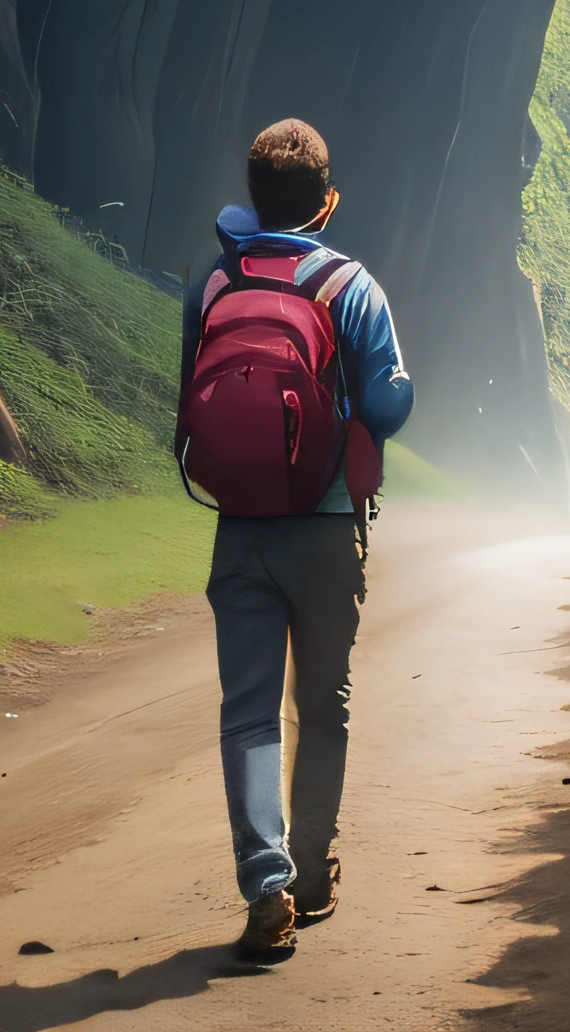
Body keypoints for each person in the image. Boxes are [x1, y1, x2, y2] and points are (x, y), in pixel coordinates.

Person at [177, 116, 413, 964]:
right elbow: (385, 407)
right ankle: (313, 873)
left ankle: (266, 890)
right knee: (322, 707)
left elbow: (187, 407)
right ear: (327, 201)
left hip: (238, 528)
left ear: (254, 196)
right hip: (321, 529)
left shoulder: (213, 282)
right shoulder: (349, 285)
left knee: (247, 716)